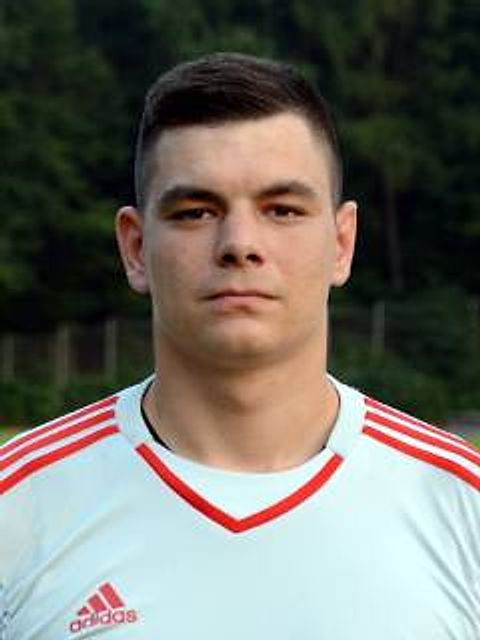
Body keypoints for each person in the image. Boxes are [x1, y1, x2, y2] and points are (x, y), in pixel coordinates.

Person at [1, 52, 479, 639]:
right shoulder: (16, 512)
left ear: (342, 242)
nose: (239, 243)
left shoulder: (463, 508)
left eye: (282, 210)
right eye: (196, 212)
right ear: (135, 249)